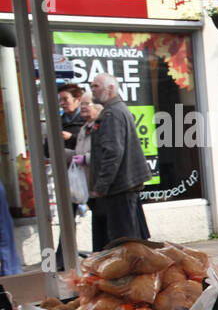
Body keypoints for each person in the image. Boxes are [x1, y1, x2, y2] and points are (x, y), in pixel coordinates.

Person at [87, 72, 151, 250]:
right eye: (92, 86)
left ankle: (131, 274)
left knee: (124, 242)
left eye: (96, 86)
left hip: (120, 187)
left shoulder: (112, 114)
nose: (92, 90)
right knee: (129, 238)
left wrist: (101, 186)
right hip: (123, 185)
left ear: (111, 89)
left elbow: (113, 152)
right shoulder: (116, 110)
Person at [57, 84, 86, 156]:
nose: (62, 103)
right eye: (60, 100)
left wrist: (71, 137)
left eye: (65, 99)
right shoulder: (58, 122)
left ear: (78, 99)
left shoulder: (87, 120)